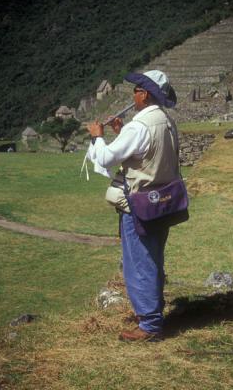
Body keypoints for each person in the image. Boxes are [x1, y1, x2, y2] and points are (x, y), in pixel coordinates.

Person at [87, 70, 179, 341]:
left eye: (137, 90)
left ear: (145, 94)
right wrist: (121, 132)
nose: (134, 95)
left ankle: (150, 325)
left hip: (138, 205)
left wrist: (97, 137)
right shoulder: (166, 121)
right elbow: (149, 154)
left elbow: (105, 158)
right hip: (162, 203)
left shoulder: (140, 126)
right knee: (153, 259)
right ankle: (154, 313)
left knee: (139, 263)